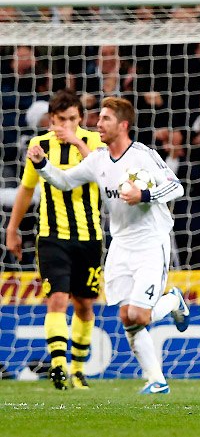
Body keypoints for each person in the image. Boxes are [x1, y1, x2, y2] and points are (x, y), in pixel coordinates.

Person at [26, 97, 189, 394]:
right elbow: (64, 181)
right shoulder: (98, 159)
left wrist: (144, 195)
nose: (98, 124)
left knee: (139, 315)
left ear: (123, 125)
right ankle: (157, 381)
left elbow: (175, 186)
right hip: (121, 245)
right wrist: (42, 165)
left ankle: (173, 301)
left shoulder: (143, 155)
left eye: (105, 119)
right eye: (99, 118)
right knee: (127, 317)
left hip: (151, 242)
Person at [5, 90, 102, 390]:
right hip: (51, 236)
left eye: (72, 119)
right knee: (57, 299)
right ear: (51, 120)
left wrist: (76, 141)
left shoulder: (94, 142)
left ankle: (78, 370)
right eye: (61, 120)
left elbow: (103, 174)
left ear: (81, 118)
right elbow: (26, 189)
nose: (66, 125)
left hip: (89, 237)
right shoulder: (39, 145)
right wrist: (12, 229)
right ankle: (58, 367)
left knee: (84, 305)